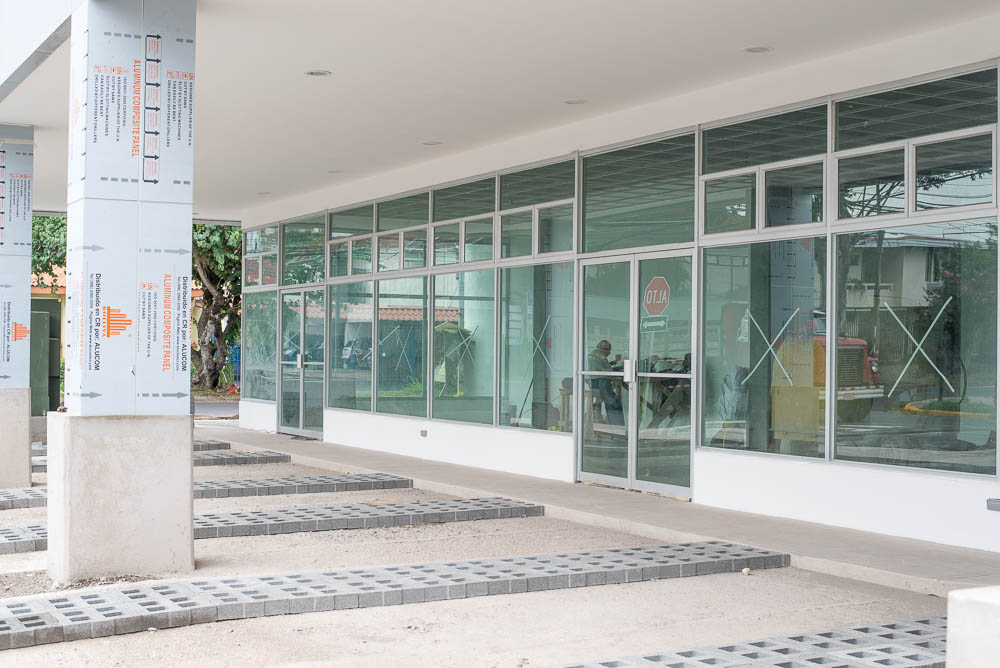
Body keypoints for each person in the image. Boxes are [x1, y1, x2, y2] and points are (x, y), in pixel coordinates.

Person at [588, 340, 624, 425]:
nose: (609, 352)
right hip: (600, 384)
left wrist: (610, 363)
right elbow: (609, 372)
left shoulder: (592, 354)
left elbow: (600, 367)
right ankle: (617, 429)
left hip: (593, 385)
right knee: (615, 404)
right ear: (604, 349)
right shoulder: (601, 356)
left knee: (613, 401)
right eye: (608, 350)